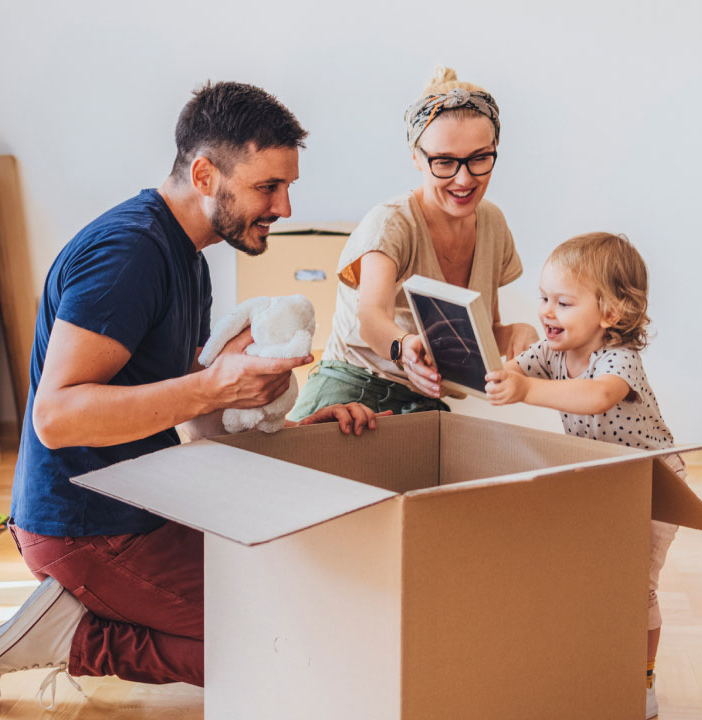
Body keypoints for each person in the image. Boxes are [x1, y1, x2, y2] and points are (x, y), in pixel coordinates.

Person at [0, 81, 384, 709]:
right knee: (290, 641)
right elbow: (56, 417)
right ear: (205, 173)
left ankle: (86, 615)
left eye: (287, 186)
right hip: (85, 526)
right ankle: (74, 636)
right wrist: (210, 384)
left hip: (143, 501)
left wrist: (299, 429)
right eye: (269, 187)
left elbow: (186, 403)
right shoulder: (129, 253)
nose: (286, 207)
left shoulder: (186, 254)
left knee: (305, 607)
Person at [484, 232, 679, 720]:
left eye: (564, 302)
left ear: (609, 314)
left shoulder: (618, 359)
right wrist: (485, 365)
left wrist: (525, 389)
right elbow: (507, 370)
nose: (548, 312)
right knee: (593, 577)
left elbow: (596, 397)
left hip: (651, 484)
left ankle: (643, 680)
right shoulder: (552, 354)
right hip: (604, 484)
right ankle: (594, 664)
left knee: (636, 588)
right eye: (544, 298)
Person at [290, 66, 537, 419]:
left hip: (422, 405)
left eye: (479, 158)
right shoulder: (392, 222)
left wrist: (517, 333)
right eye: (444, 162)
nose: (464, 178)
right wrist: (404, 346)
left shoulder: (493, 224)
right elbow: (372, 318)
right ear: (416, 157)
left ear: (495, 149)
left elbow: (481, 333)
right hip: (353, 390)